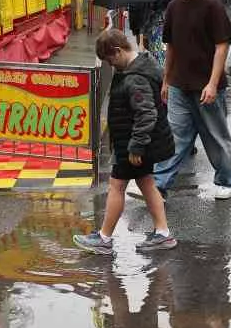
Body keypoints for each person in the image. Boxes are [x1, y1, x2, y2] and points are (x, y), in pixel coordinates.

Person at [74, 29, 177, 255]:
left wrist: (136, 145)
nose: (111, 65)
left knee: (116, 186)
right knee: (146, 183)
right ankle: (163, 233)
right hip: (135, 143)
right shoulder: (139, 67)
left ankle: (104, 238)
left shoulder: (135, 78)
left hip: (133, 145)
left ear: (118, 51)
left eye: (110, 60)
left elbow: (146, 114)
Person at [154, 0, 231, 199]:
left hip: (207, 85)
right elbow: (170, 47)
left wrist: (212, 84)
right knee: (175, 136)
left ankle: (226, 181)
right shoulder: (173, 7)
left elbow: (222, 46)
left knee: (215, 136)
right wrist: (166, 80)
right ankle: (159, 183)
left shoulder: (212, 5)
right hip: (180, 85)